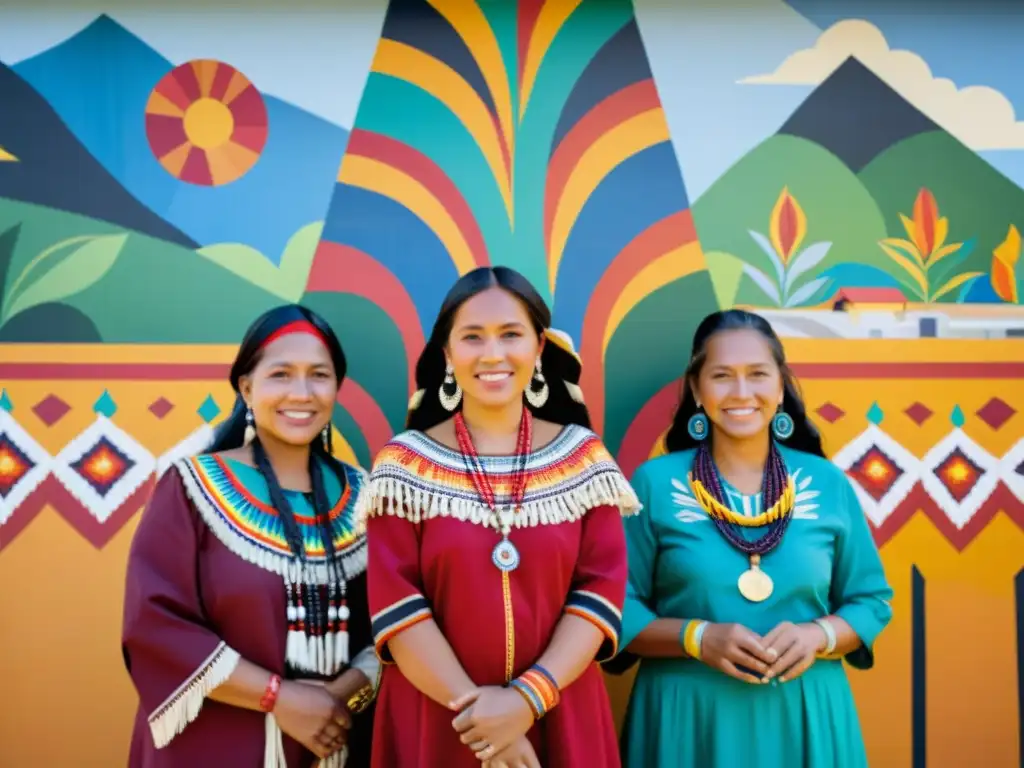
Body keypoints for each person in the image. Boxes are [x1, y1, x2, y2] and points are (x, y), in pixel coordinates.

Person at [357, 266, 640, 768]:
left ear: (539, 349)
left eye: (511, 334)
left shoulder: (584, 458)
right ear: (447, 354)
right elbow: (397, 609)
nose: (492, 354)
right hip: (439, 719)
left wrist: (527, 700)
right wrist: (489, 726)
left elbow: (599, 593)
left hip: (560, 710)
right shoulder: (402, 465)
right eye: (472, 337)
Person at [611, 309, 893, 767]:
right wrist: (696, 637)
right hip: (689, 722)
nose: (741, 392)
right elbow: (614, 610)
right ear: (697, 391)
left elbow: (871, 601)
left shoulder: (826, 482)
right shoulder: (653, 484)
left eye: (758, 374)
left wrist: (818, 635)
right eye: (721, 376)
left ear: (780, 388)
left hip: (805, 716)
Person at [121, 305, 378, 768]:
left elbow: (395, 627)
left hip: (331, 744)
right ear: (246, 387)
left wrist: (338, 698)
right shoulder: (189, 487)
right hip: (211, 750)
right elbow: (155, 625)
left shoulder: (366, 495)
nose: (301, 392)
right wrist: (279, 698)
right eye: (280, 374)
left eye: (319, 375)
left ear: (336, 388)